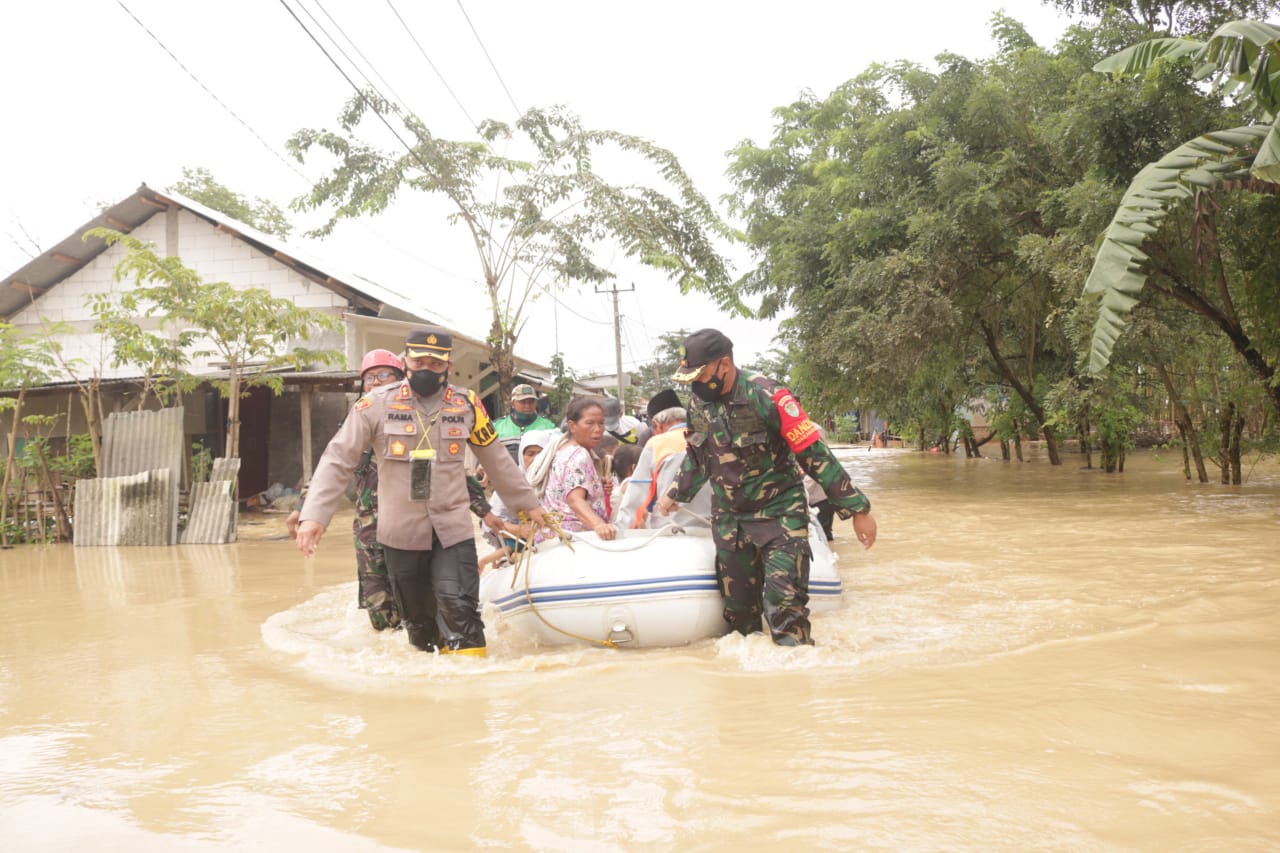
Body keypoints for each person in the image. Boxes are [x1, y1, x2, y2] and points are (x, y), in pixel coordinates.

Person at [295, 327, 547, 656]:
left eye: (436, 363)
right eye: (420, 362)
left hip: (452, 529)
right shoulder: (374, 405)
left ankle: (471, 681)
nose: (427, 369)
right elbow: (338, 458)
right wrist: (315, 515)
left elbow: (496, 459)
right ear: (406, 362)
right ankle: (432, 677)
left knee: (461, 609)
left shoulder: (467, 404)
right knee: (419, 625)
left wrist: (529, 505)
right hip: (400, 533)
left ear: (449, 366)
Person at [655, 328, 877, 646]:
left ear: (724, 364)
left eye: (701, 375)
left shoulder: (768, 395)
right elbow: (699, 457)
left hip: (780, 516)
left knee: (786, 612)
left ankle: (797, 669)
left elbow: (813, 454)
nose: (697, 384)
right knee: (739, 620)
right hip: (731, 521)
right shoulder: (699, 405)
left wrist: (858, 509)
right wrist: (675, 493)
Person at [286, 348, 404, 630]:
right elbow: (334, 464)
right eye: (369, 378)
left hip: (410, 528)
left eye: (384, 375)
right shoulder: (356, 422)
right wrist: (305, 509)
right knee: (380, 613)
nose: (376, 383)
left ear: (400, 380)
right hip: (370, 530)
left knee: (416, 605)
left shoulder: (415, 420)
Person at [527, 397, 617, 540]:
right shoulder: (578, 455)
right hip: (573, 538)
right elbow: (575, 500)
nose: (598, 429)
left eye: (601, 423)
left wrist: (596, 486)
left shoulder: (563, 450)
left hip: (552, 535)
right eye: (590, 423)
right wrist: (599, 525)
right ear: (572, 426)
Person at [493, 383, 557, 462]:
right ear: (512, 403)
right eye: (522, 402)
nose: (527, 406)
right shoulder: (497, 426)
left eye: (531, 402)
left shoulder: (548, 426)